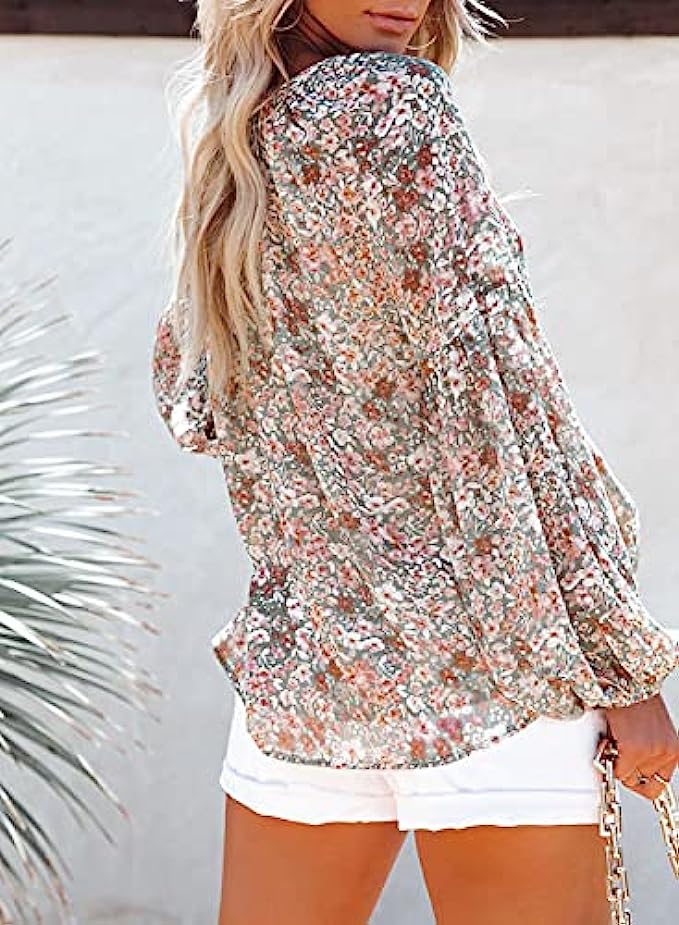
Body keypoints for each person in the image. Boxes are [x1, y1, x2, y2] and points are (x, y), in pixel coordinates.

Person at [151, 2, 679, 922]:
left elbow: (193, 405)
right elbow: (505, 410)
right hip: (492, 674)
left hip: (310, 680)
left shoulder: (236, 142)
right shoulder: (397, 104)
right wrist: (622, 668)